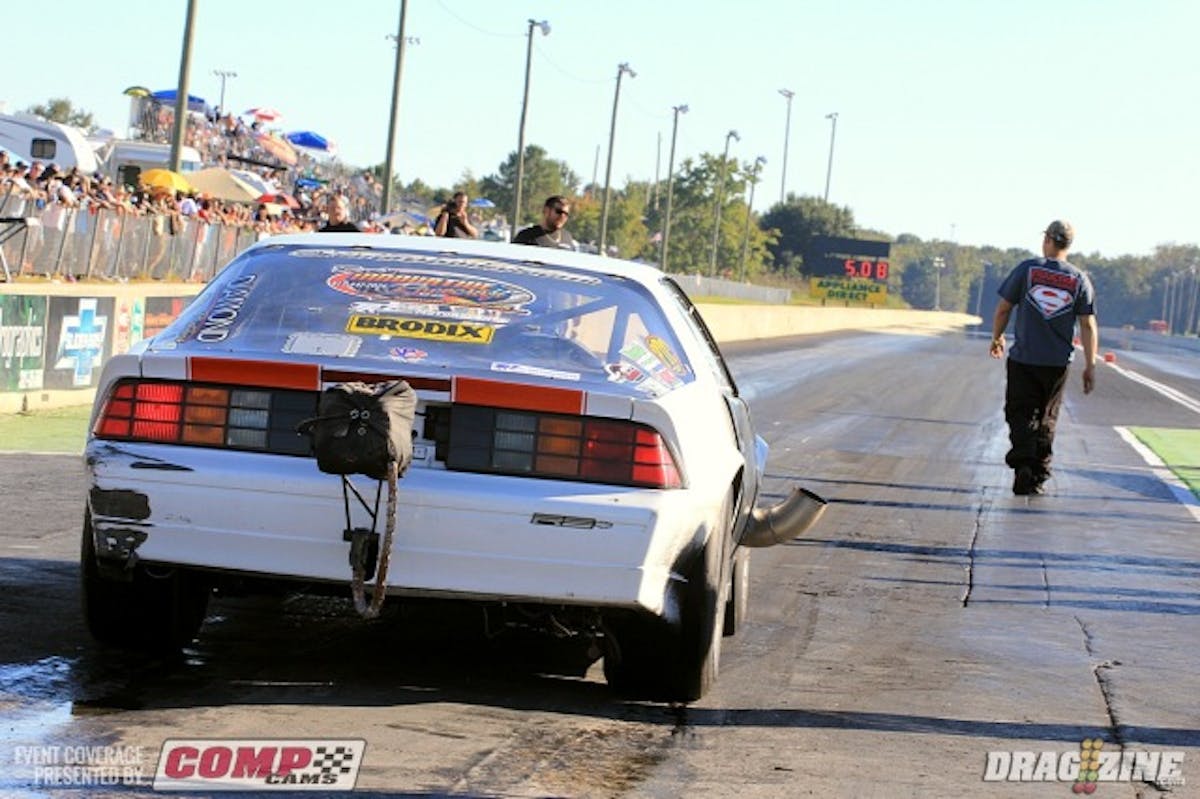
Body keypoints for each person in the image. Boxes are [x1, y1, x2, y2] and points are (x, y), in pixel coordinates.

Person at [990, 220, 1097, 495]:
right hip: (1057, 363)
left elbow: (1004, 308)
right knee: (1048, 416)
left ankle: (1024, 461)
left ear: (1048, 239)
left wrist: (997, 337)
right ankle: (1038, 473)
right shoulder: (1079, 279)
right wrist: (1091, 365)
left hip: (1024, 359)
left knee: (1019, 411)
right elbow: (1088, 325)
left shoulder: (1027, 270)